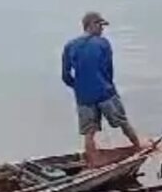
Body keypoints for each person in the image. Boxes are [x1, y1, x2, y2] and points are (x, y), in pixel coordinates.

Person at [61, 12, 142, 167]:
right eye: (99, 25)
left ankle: (93, 160)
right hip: (105, 92)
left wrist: (78, 87)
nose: (102, 29)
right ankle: (138, 146)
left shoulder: (69, 46)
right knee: (122, 121)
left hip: (84, 96)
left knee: (88, 132)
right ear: (90, 25)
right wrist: (107, 86)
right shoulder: (103, 43)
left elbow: (65, 76)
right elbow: (108, 70)